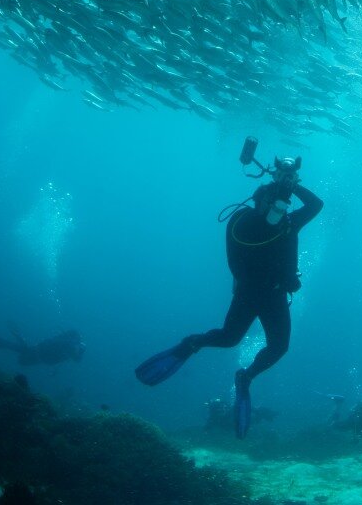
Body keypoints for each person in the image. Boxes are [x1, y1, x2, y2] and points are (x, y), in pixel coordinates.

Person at [135, 155, 323, 438]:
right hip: (249, 292)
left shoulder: (288, 223)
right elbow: (240, 256)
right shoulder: (244, 222)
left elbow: (316, 205)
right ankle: (191, 344)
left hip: (273, 295)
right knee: (230, 338)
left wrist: (290, 184)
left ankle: (245, 376)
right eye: (273, 205)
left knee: (279, 347)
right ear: (260, 203)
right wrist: (280, 192)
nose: (279, 210)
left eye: (282, 207)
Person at [0, 325, 85, 366]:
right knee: (20, 351)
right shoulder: (69, 344)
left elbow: (76, 359)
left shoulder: (68, 352)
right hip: (38, 352)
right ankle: (15, 335)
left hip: (39, 354)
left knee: (21, 351)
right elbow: (53, 346)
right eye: (78, 350)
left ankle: (17, 335)